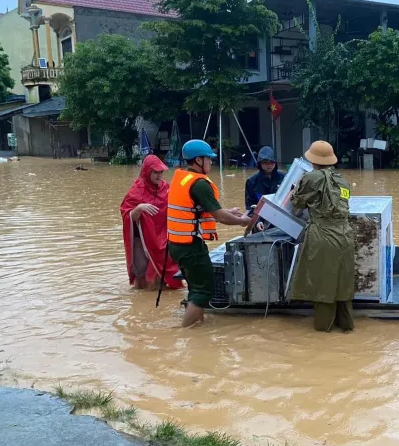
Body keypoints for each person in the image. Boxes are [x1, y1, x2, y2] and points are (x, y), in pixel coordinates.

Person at [167, 140, 252, 327]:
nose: (211, 163)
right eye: (209, 159)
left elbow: (199, 210)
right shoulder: (199, 184)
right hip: (191, 246)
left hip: (176, 243)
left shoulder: (182, 178)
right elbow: (220, 217)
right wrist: (243, 221)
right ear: (198, 160)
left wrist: (230, 211)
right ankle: (184, 333)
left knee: (195, 288)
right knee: (203, 292)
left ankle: (197, 328)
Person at [289, 141, 356, 332]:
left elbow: (297, 203)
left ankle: (322, 335)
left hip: (324, 236)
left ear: (313, 160)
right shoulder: (342, 180)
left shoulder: (311, 178)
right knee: (343, 289)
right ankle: (347, 329)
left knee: (323, 289)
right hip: (345, 235)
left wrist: (294, 189)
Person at [120, 155, 181, 290]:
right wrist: (139, 208)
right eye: (155, 172)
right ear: (147, 171)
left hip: (162, 238)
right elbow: (127, 216)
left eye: (161, 172)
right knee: (141, 276)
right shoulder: (136, 192)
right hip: (141, 241)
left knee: (163, 273)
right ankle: (141, 303)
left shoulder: (166, 188)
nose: (159, 176)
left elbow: (179, 206)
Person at [245, 146, 285, 214]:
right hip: (260, 216)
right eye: (265, 162)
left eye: (271, 162)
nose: (269, 165)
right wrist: (257, 221)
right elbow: (249, 206)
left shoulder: (285, 177)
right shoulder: (251, 181)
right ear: (260, 163)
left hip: (280, 214)